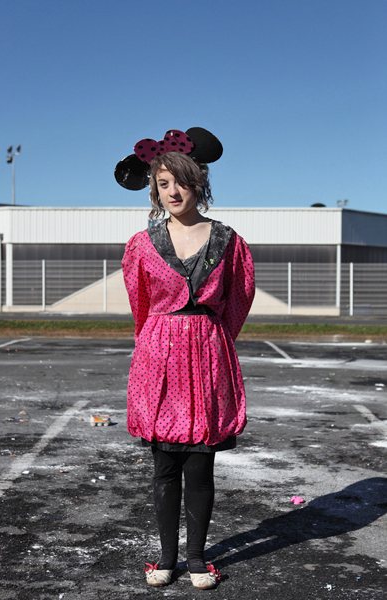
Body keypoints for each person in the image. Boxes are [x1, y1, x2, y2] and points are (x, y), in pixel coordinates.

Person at [116, 128, 255, 589]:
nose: (173, 191)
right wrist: (158, 341)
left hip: (208, 352)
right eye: (163, 184)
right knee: (164, 464)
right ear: (154, 190)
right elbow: (140, 305)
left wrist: (212, 339)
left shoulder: (228, 240)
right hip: (158, 355)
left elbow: (239, 300)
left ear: (199, 183)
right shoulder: (142, 243)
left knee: (200, 465)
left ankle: (196, 559)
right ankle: (166, 559)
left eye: (181, 181)